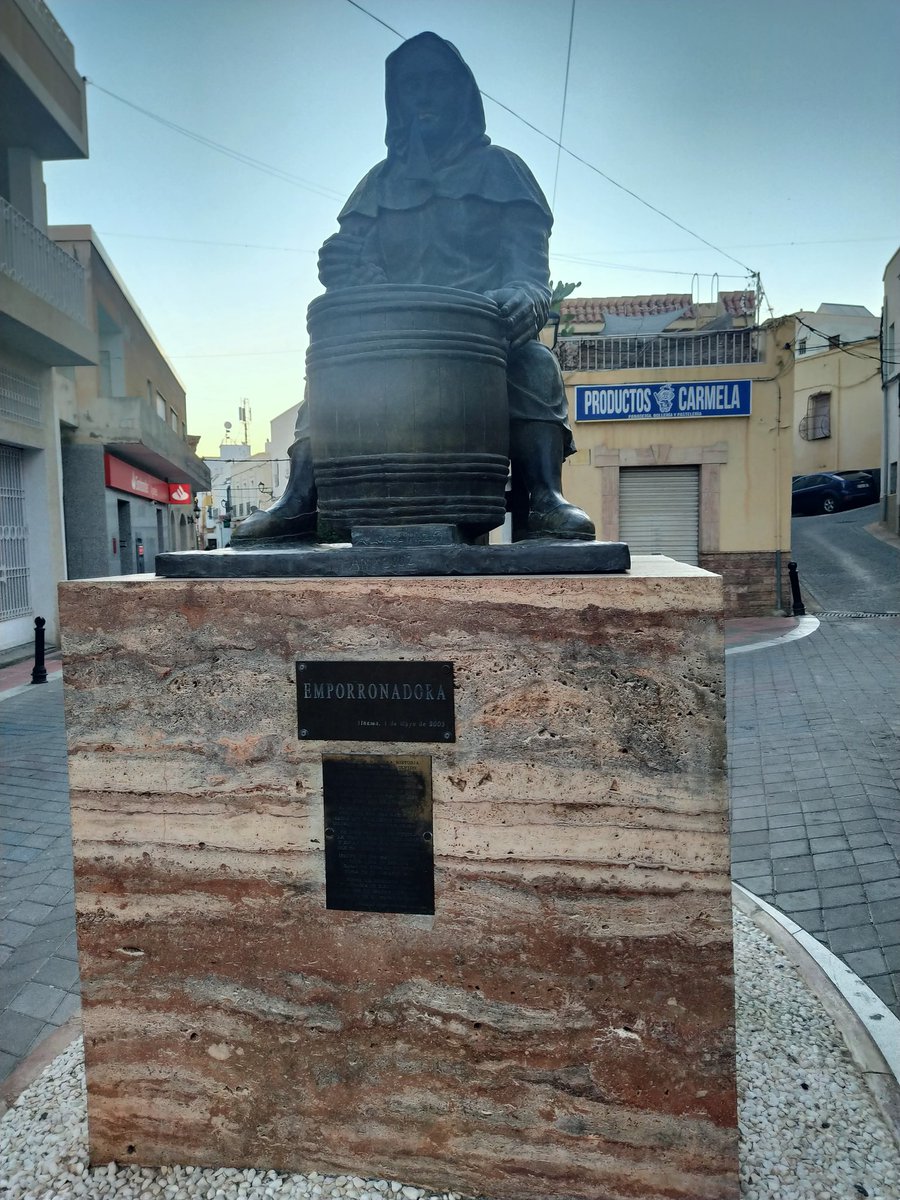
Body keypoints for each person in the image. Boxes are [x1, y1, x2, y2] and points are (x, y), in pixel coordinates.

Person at [233, 31, 593, 545]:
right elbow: (353, 261)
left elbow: (530, 276)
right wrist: (340, 263)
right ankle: (302, 501)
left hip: (483, 342)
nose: (423, 96)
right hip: (395, 347)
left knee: (538, 367)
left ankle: (542, 498)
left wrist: (523, 300)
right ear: (396, 100)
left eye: (436, 83)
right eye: (410, 86)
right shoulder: (379, 183)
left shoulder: (503, 171)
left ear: (461, 93)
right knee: (330, 382)